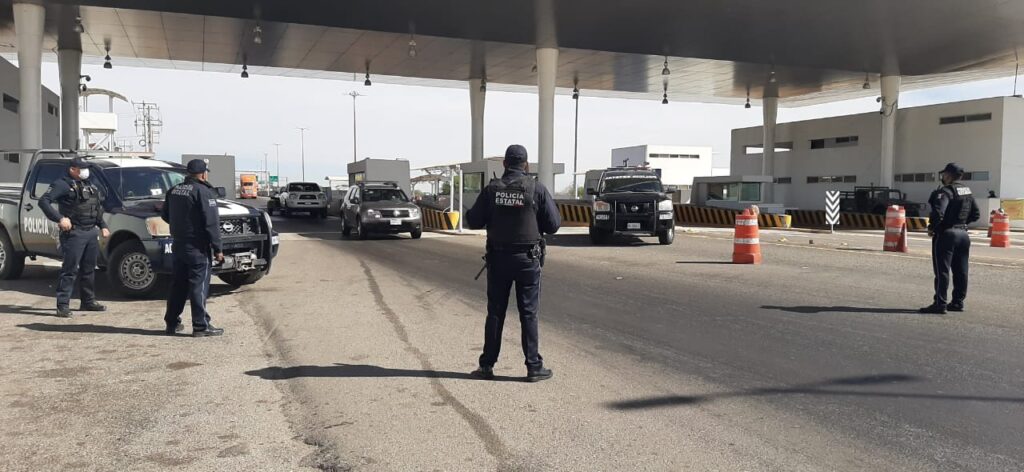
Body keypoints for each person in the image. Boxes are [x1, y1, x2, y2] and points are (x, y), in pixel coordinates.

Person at [465, 144, 561, 382]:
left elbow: (473, 221)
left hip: (498, 260)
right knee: (528, 314)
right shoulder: (536, 189)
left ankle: (487, 365)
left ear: (505, 164)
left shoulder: (492, 190)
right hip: (528, 260)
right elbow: (553, 225)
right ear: (526, 165)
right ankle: (533, 367)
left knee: (495, 313)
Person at [39, 156, 110, 317]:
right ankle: (62, 305)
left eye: (86, 168)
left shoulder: (89, 185)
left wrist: (103, 225)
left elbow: (95, 208)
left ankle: (88, 301)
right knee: (70, 270)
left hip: (91, 231)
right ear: (72, 169)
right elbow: (44, 201)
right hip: (74, 233)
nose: (86, 171)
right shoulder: (62, 184)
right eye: (82, 168)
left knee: (89, 269)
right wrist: (60, 218)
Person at [162, 159, 225, 336]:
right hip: (197, 247)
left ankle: (172, 323)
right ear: (203, 174)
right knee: (199, 286)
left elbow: (165, 215)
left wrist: (181, 225)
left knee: (178, 285)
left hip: (178, 244)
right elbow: (211, 223)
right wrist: (218, 248)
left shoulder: (174, 190)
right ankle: (200, 325)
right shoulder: (203, 192)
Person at [920, 163, 980, 314]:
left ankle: (940, 303)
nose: (943, 177)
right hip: (963, 234)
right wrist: (961, 223)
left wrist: (933, 228)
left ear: (948, 175)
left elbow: (938, 212)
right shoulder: (967, 192)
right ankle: (958, 302)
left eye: (944, 174)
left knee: (942, 270)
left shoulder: (945, 191)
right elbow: (975, 214)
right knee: (961, 270)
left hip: (947, 234)